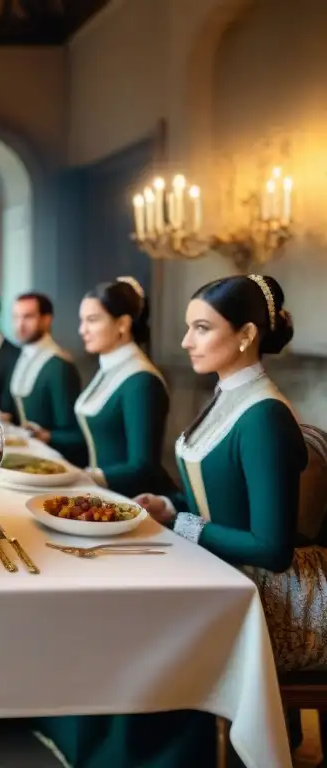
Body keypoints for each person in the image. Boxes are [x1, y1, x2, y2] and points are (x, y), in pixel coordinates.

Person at [140, 275, 325, 670]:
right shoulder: (228, 395)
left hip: (257, 595)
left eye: (201, 328)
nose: (186, 341)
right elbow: (223, 497)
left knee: (134, 633)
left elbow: (272, 550)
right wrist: (167, 503)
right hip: (215, 568)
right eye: (189, 328)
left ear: (246, 335)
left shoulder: (265, 415)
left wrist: (181, 522)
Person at [32, 277, 175, 498]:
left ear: (122, 324)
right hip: (102, 493)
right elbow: (98, 435)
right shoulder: (108, 367)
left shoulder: (142, 381)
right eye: (82, 321)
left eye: (92, 320)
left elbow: (144, 467)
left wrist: (82, 477)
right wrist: (49, 437)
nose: (82, 330)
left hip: (133, 502)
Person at [0, 292, 85, 466]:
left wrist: (46, 436)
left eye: (28, 317)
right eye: (16, 317)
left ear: (47, 320)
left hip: (52, 462)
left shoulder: (59, 366)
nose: (20, 325)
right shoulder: (20, 356)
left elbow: (74, 434)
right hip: (23, 454)